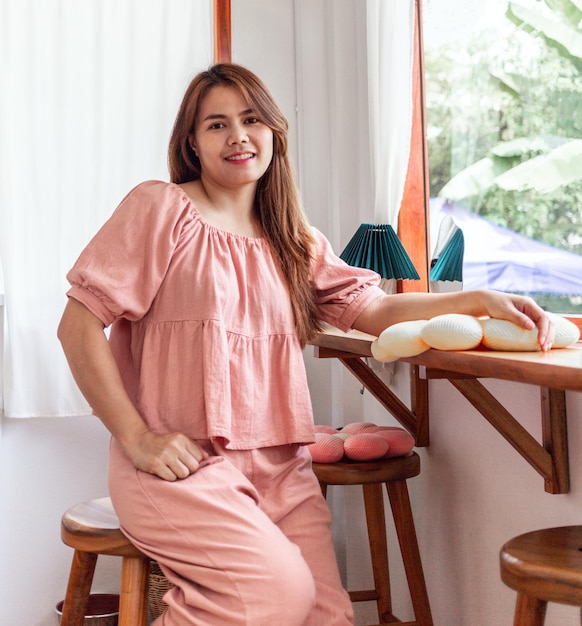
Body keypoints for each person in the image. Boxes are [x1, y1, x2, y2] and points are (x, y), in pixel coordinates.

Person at [57, 63, 553, 626]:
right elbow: (77, 326)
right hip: (181, 466)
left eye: (250, 119)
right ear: (192, 144)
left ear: (274, 132)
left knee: (326, 617)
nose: (238, 136)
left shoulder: (295, 241)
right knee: (269, 599)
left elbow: (378, 310)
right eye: (215, 125)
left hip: (281, 466)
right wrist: (138, 437)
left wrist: (477, 300)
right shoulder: (161, 209)